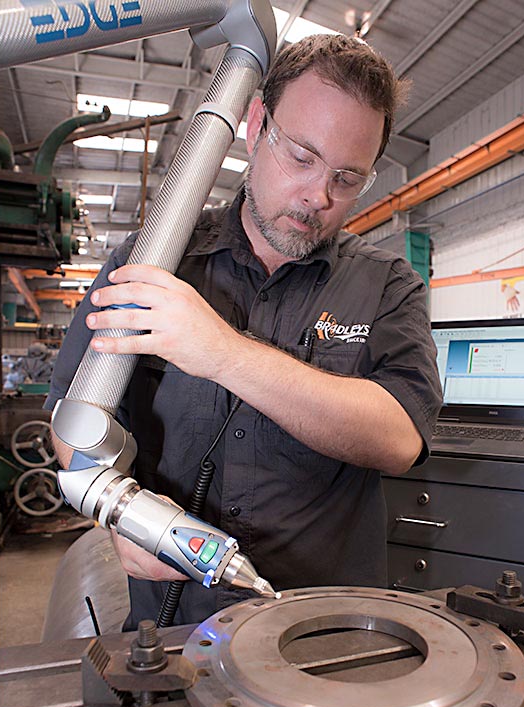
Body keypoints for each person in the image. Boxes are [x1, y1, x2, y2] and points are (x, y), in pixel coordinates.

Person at [46, 33, 443, 630]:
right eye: (302, 158)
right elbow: (71, 416)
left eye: (347, 178)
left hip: (325, 633)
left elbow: (399, 438)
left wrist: (223, 353)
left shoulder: (388, 285)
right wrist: (116, 513)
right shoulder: (153, 261)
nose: (318, 196)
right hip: (170, 631)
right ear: (257, 126)